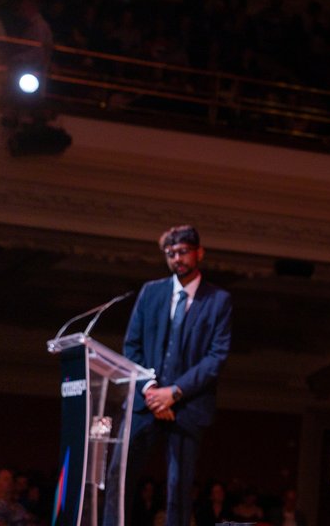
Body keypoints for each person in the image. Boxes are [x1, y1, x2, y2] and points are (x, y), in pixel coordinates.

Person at [104, 225, 233, 526]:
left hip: (187, 404)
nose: (177, 258)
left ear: (199, 253)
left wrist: (173, 393)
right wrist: (150, 389)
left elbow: (216, 357)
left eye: (184, 251)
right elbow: (131, 345)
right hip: (145, 401)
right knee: (119, 473)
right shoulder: (151, 292)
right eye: (171, 253)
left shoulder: (218, 300)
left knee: (179, 486)